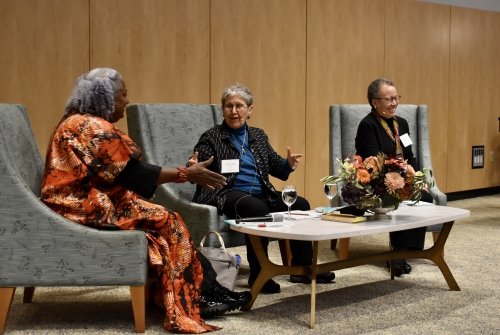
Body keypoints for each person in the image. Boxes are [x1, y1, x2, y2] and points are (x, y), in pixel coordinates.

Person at [40, 68, 251, 333]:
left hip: (82, 201)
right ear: (104, 97)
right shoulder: (91, 127)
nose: (126, 101)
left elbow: (122, 172)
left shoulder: (76, 121)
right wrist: (187, 173)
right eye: (122, 95)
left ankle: (207, 292)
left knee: (165, 221)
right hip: (81, 206)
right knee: (170, 222)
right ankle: (197, 297)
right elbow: (133, 174)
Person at [190, 83, 335, 294]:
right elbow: (199, 165)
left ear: (250, 110)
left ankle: (303, 267)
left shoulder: (258, 136)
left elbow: (276, 167)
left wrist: (288, 164)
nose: (234, 111)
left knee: (300, 204)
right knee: (256, 208)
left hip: (260, 192)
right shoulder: (212, 137)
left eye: (239, 106)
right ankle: (260, 274)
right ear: (223, 109)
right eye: (229, 106)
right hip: (224, 192)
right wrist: (192, 166)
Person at [355, 78, 433, 277]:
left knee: (424, 196)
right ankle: (397, 256)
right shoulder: (368, 125)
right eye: (389, 99)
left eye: (396, 98)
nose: (394, 103)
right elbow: (376, 161)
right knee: (397, 196)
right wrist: (403, 175)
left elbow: (410, 156)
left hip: (403, 176)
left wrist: (417, 178)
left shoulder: (402, 123)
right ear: (374, 101)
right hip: (378, 180)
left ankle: (408, 250)